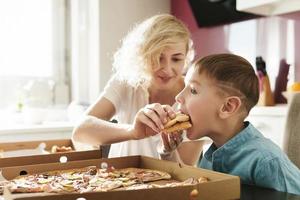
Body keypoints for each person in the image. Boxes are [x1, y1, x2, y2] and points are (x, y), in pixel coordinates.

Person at [134, 53, 300, 194]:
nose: (178, 97)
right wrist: (168, 152)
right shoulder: (211, 155)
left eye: (192, 90)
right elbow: (188, 189)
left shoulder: (266, 162)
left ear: (227, 107)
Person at [72, 14, 203, 165]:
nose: (167, 69)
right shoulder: (127, 83)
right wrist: (133, 131)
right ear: (142, 55)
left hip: (164, 188)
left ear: (186, 57)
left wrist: (168, 151)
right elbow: (80, 131)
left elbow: (185, 176)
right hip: (116, 182)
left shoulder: (195, 99)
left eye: (176, 59)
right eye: (158, 57)